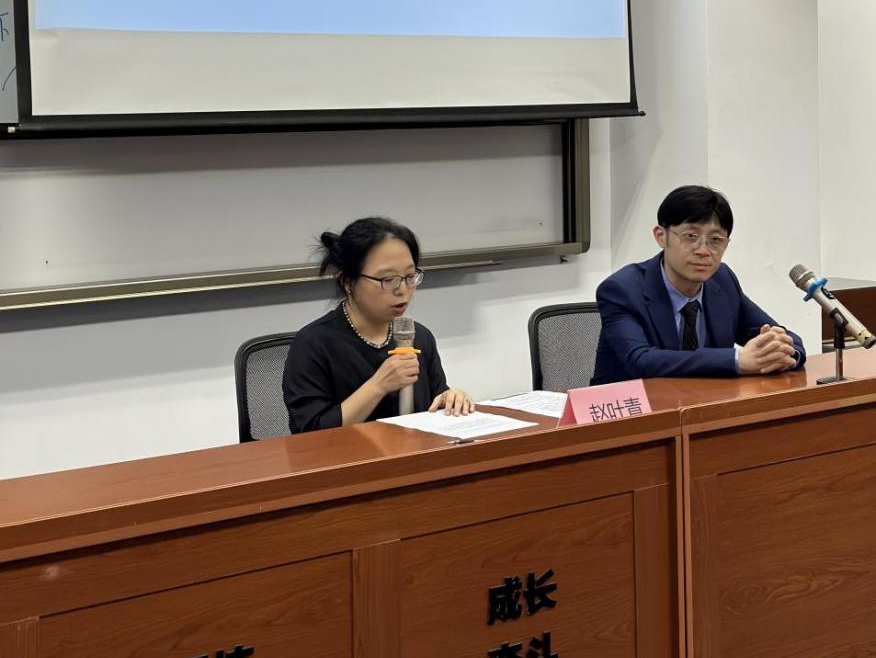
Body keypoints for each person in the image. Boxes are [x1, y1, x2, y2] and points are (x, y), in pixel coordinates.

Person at [591, 185, 806, 385]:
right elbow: (641, 361)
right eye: (690, 236)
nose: (703, 250)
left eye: (715, 240)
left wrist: (781, 354)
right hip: (632, 408)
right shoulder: (622, 290)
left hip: (704, 405)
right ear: (661, 236)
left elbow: (789, 340)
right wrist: (737, 360)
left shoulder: (721, 280)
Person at [283, 216, 474, 433]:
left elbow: (436, 400)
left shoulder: (419, 336)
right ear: (348, 282)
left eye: (410, 276)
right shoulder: (313, 345)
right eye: (387, 279)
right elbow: (310, 433)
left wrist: (450, 399)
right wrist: (378, 385)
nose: (403, 290)